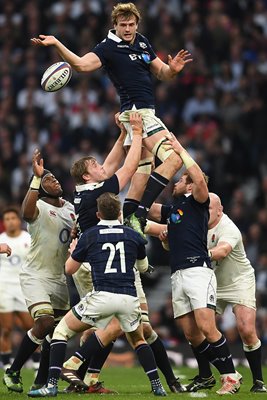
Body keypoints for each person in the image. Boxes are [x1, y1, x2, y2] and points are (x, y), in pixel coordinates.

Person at [31, 2, 192, 237]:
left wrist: (172, 70)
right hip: (138, 113)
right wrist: (56, 43)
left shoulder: (143, 41)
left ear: (137, 24)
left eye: (131, 25)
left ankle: (131, 213)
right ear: (114, 25)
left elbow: (161, 72)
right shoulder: (107, 48)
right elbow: (81, 65)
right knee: (176, 158)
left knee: (145, 167)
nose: (127, 29)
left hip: (142, 114)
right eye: (123, 25)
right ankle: (141, 211)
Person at [61, 114, 183, 394]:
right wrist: (137, 133)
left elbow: (112, 164)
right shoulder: (99, 193)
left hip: (95, 259)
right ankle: (76, 366)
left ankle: (87, 379)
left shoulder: (89, 191)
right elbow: (126, 170)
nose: (101, 165)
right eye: (95, 165)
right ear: (86, 175)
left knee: (113, 327)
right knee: (126, 323)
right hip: (103, 264)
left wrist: (121, 135)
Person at [28, 192, 167, 398]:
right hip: (129, 298)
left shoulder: (90, 235)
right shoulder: (134, 236)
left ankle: (51, 384)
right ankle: (158, 386)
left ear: (98, 214)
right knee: (139, 340)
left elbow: (69, 269)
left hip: (102, 296)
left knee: (61, 332)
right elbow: (144, 267)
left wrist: (73, 249)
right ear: (119, 212)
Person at [148, 133, 241, 395]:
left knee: (207, 326)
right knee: (191, 332)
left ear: (189, 185)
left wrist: (180, 150)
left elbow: (199, 178)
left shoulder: (199, 202)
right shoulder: (176, 209)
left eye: (180, 180)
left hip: (198, 269)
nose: (176, 183)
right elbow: (150, 210)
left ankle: (230, 376)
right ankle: (211, 375)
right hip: (178, 273)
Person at [3, 149, 75, 394]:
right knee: (44, 322)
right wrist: (36, 178)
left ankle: (40, 381)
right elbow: (26, 212)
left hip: (58, 277)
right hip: (35, 275)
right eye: (48, 180)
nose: (53, 179)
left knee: (56, 334)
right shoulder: (39, 206)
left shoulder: (70, 209)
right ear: (42, 189)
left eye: (54, 177)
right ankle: (13, 370)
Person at [187, 193, 266, 393]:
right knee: (196, 329)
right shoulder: (198, 224)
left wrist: (198, 254)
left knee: (246, 329)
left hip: (238, 280)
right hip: (212, 280)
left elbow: (221, 251)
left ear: (220, 210)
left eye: (209, 209)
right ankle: (205, 376)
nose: (205, 212)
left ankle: (258, 382)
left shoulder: (229, 229)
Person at [0, 207, 33, 370]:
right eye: (7, 219)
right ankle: (6, 364)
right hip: (4, 287)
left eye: (13, 218)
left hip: (23, 287)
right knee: (6, 328)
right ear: (3, 222)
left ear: (18, 220)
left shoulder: (28, 238)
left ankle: (36, 363)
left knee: (31, 327)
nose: (10, 221)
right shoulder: (1, 240)